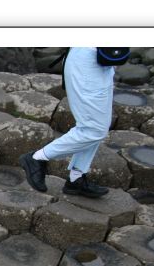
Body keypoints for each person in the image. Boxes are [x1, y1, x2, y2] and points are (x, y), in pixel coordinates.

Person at [20, 47, 116, 198]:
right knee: (94, 129)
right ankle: (36, 158)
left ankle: (76, 178)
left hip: (102, 60)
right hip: (89, 59)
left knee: (97, 125)